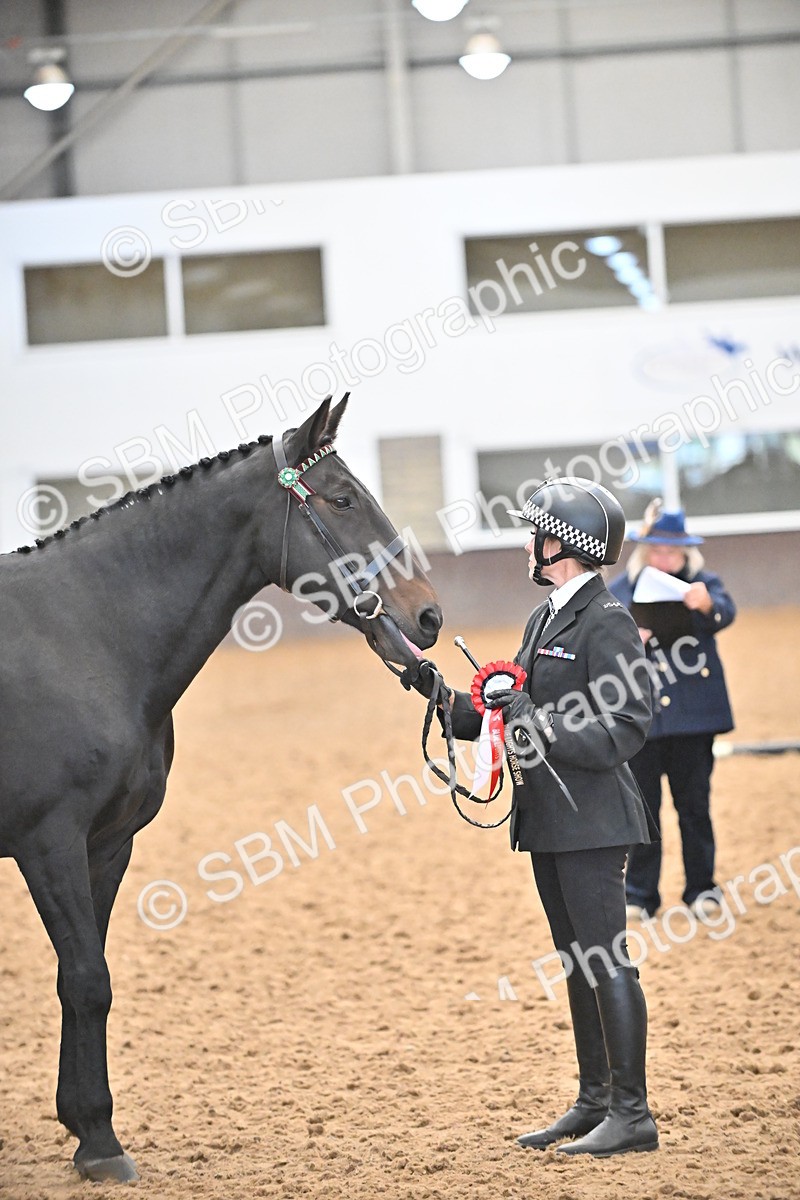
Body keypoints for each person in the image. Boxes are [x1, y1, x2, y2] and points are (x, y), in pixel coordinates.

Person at [406, 477, 659, 1158]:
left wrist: (541, 724)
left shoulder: (603, 620)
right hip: (549, 818)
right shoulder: (544, 618)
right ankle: (594, 1100)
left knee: (607, 961)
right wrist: (434, 691)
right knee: (577, 962)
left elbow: (629, 724)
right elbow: (502, 717)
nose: (529, 545)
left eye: (537, 535)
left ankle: (632, 1114)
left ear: (563, 545)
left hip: (596, 822)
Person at [608, 501, 735, 921]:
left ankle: (701, 887)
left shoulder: (702, 584)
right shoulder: (621, 592)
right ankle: (641, 894)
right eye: (657, 550)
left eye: (672, 551)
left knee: (694, 805)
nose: (665, 559)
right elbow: (602, 646)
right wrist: (630, 642)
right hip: (643, 719)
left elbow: (725, 611)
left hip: (693, 718)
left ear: (685, 553)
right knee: (643, 810)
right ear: (645, 552)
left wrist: (705, 606)